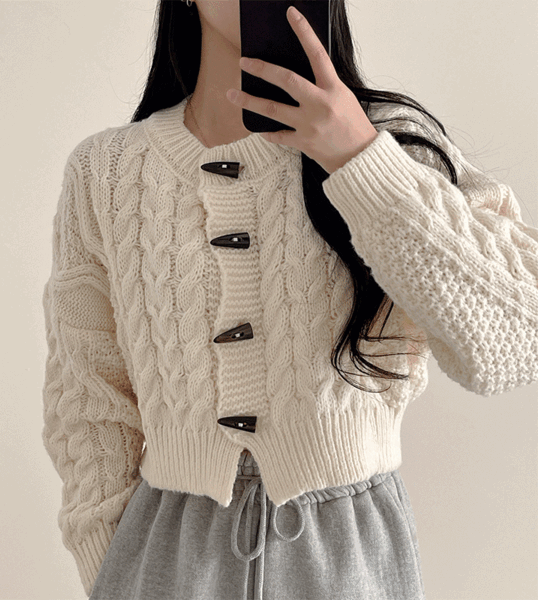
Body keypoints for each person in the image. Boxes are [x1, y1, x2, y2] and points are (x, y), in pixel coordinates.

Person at [41, 1, 538, 599]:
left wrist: (360, 159)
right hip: (163, 556)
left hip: (347, 560)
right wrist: (115, 575)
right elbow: (88, 402)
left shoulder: (395, 145)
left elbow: (518, 335)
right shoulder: (106, 172)